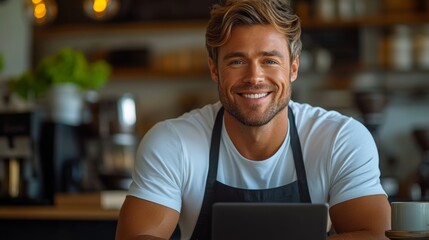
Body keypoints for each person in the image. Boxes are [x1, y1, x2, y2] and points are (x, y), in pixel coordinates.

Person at [115, 0, 391, 239]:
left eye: (269, 60)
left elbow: (375, 235)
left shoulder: (340, 138)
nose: (254, 77)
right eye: (237, 61)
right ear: (214, 69)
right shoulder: (172, 142)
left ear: (293, 67)